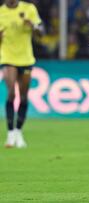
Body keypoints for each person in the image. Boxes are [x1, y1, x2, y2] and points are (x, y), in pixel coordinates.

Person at [0, 0, 44, 148]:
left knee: (24, 96)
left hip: (25, 59)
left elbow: (41, 33)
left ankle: (19, 131)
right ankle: (10, 133)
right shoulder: (1, 12)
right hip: (7, 57)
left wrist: (33, 26)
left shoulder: (29, 9)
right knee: (12, 92)